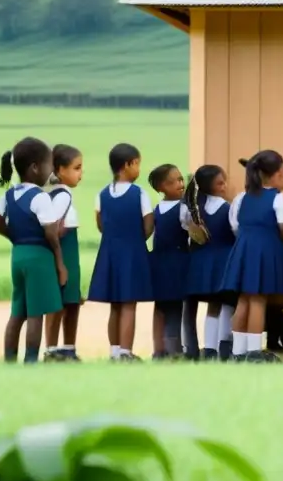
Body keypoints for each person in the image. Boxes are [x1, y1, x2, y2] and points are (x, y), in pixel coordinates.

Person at [0, 137, 67, 364]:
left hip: (18, 255)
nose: (51, 171)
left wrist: (16, 236)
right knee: (36, 313)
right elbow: (51, 234)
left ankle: (9, 360)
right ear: (35, 167)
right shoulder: (40, 197)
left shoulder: (8, 195)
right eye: (49, 165)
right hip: (39, 257)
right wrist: (60, 263)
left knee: (17, 313)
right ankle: (31, 360)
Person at [220, 151, 283, 364]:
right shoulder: (276, 197)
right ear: (278, 174)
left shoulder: (242, 197)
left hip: (244, 249)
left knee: (243, 300)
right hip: (265, 250)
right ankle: (254, 351)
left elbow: (235, 225)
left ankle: (238, 351)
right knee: (259, 300)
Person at [88, 143, 155, 362]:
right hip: (132, 252)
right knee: (129, 303)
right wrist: (134, 240)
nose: (138, 169)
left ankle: (115, 351)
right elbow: (148, 226)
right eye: (137, 164)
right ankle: (126, 352)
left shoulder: (102, 194)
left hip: (109, 252)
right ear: (127, 165)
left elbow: (100, 224)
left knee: (115, 305)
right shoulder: (139, 194)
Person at [182, 164, 234, 361]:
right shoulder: (227, 208)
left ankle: (210, 348)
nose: (224, 186)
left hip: (200, 261)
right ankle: (223, 346)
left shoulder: (194, 208)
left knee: (212, 306)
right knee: (225, 304)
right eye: (220, 183)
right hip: (223, 261)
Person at [43, 144, 84, 362]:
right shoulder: (62, 196)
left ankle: (66, 348)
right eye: (76, 168)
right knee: (59, 304)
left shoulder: (59, 194)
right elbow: (53, 228)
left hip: (69, 254)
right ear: (60, 170)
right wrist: (60, 263)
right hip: (65, 254)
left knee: (71, 302)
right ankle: (53, 349)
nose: (81, 174)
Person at [148, 163, 190, 360]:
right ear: (161, 187)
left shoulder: (158, 209)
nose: (181, 184)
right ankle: (171, 350)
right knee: (171, 307)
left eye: (181, 179)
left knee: (164, 307)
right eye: (174, 181)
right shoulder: (182, 209)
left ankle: (161, 350)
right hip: (175, 262)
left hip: (161, 261)